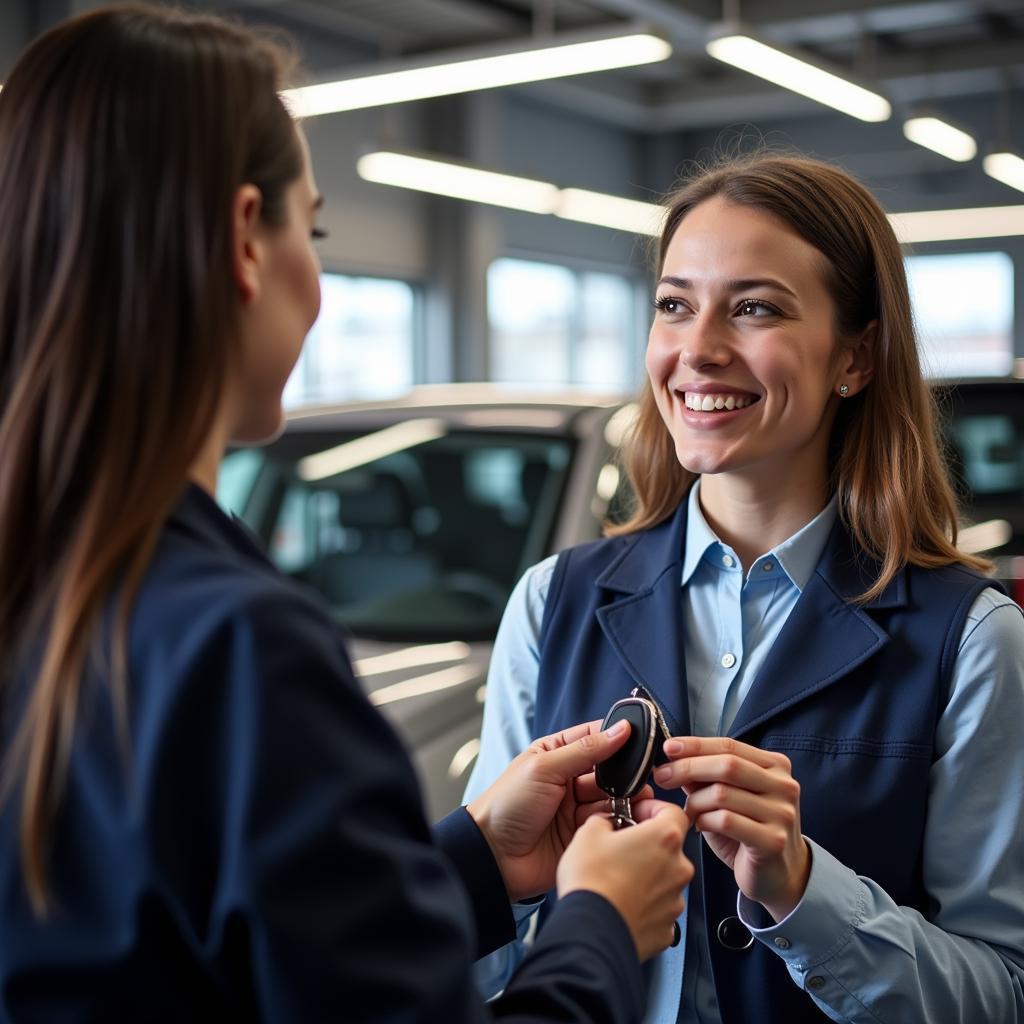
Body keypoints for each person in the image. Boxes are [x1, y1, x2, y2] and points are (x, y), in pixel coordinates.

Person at [0, 6, 695, 1021]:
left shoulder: (53, 580)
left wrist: (470, 857)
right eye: (312, 227)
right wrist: (597, 919)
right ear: (245, 239)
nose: (317, 276)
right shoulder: (239, 646)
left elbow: (215, 943)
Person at [466, 151, 1024, 1023]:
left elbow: (1003, 995)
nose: (698, 350)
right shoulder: (551, 603)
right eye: (674, 305)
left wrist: (807, 892)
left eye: (754, 308)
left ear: (858, 356)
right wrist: (498, 891)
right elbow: (462, 975)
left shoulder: (973, 640)